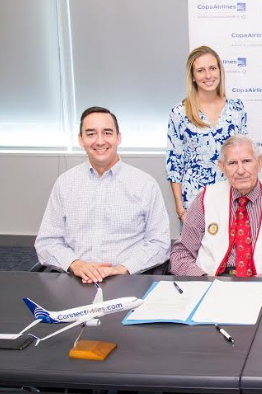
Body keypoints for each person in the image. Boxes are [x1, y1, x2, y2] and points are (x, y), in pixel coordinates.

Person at [35, 107, 171, 283]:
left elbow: (159, 244)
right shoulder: (65, 183)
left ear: (118, 137)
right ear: (81, 139)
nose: (100, 141)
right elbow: (47, 241)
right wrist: (75, 264)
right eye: (91, 134)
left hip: (128, 279)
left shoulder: (145, 184)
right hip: (75, 279)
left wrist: (121, 269)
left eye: (107, 133)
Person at [170, 135, 262, 277]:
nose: (240, 170)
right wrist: (204, 281)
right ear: (222, 167)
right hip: (213, 281)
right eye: (232, 163)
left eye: (246, 161)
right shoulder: (205, 198)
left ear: (259, 162)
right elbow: (180, 254)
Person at [166, 45, 247, 224]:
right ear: (193, 76)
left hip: (232, 199)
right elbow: (174, 164)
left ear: (220, 71)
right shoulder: (179, 113)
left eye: (212, 68)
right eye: (201, 70)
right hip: (194, 203)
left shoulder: (237, 109)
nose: (208, 75)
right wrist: (181, 210)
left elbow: (245, 157)